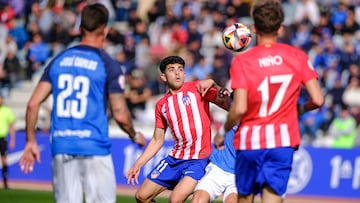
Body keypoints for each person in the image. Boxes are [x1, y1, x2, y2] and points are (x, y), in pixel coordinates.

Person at [19, 3, 146, 203]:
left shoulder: (59, 60)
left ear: (80, 28)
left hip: (62, 146)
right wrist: (133, 134)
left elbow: (33, 104)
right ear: (105, 29)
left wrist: (31, 141)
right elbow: (120, 114)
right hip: (94, 147)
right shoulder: (108, 64)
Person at [222, 1, 324, 203]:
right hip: (282, 141)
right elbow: (318, 99)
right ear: (280, 28)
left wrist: (224, 129)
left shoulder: (243, 61)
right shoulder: (298, 57)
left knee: (245, 197)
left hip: (250, 141)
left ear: (254, 28)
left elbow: (240, 107)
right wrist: (301, 109)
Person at [126, 55, 232, 203]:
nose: (177, 73)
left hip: (199, 160)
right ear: (163, 77)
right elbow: (157, 140)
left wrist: (218, 88)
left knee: (175, 200)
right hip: (175, 159)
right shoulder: (161, 105)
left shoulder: (198, 88)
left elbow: (227, 103)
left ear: (184, 73)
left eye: (180, 69)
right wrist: (138, 163)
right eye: (172, 70)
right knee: (141, 196)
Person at [191, 123, 238, 203]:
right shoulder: (239, 113)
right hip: (218, 167)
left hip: (241, 174)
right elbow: (234, 112)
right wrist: (221, 133)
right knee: (198, 200)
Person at [0, 94, 15, 189]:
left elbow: (11, 126)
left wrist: (13, 139)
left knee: (4, 159)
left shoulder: (7, 111)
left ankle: (5, 182)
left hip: (3, 138)